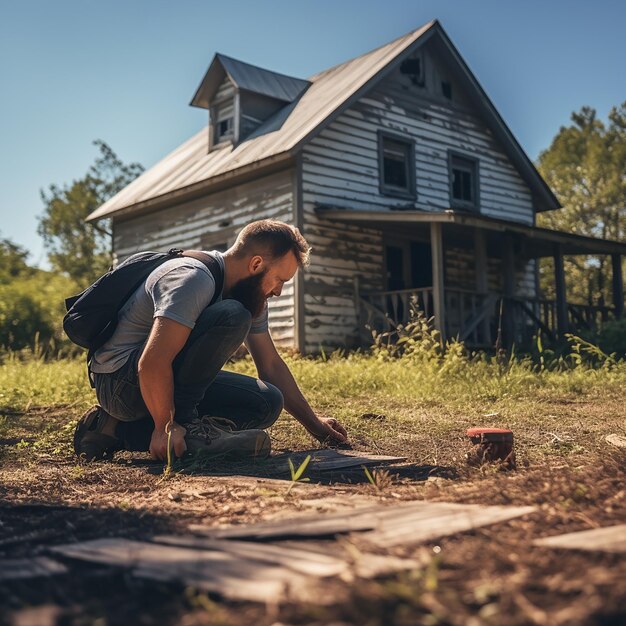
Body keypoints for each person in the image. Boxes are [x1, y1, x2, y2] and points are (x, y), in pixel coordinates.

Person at [74, 219, 348, 462]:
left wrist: (316, 426)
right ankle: (184, 427)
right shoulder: (193, 279)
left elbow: (271, 366)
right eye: (279, 280)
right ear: (255, 264)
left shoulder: (250, 295)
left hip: (155, 379)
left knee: (267, 402)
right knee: (232, 316)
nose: (278, 292)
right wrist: (164, 427)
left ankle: (113, 430)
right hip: (120, 381)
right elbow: (153, 361)